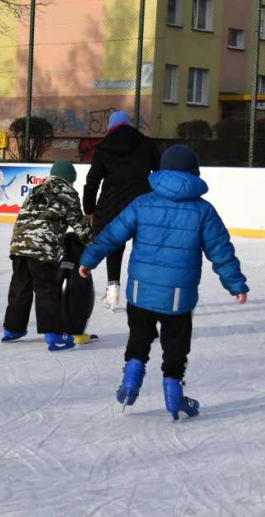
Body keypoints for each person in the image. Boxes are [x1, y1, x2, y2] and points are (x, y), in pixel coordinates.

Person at [79, 145, 248, 419]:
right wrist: (236, 284)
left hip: (140, 290)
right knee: (175, 346)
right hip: (178, 297)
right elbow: (221, 251)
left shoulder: (142, 203)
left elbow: (111, 234)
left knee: (139, 336)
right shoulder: (203, 211)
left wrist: (89, 259)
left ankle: (131, 378)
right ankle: (174, 395)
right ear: (194, 173)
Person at [1, 160, 92, 351]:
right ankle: (53, 335)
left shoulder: (37, 190)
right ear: (70, 179)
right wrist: (93, 241)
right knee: (47, 289)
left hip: (19, 246)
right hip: (41, 248)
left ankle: (13, 329)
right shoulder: (68, 193)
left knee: (20, 286)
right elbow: (79, 225)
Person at [83, 110, 160, 310]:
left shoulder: (104, 148)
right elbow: (161, 173)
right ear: (129, 124)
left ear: (110, 127)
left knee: (114, 246)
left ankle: (112, 290)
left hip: (112, 206)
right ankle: (143, 292)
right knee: (142, 248)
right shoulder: (147, 144)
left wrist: (89, 209)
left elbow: (92, 182)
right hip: (142, 204)